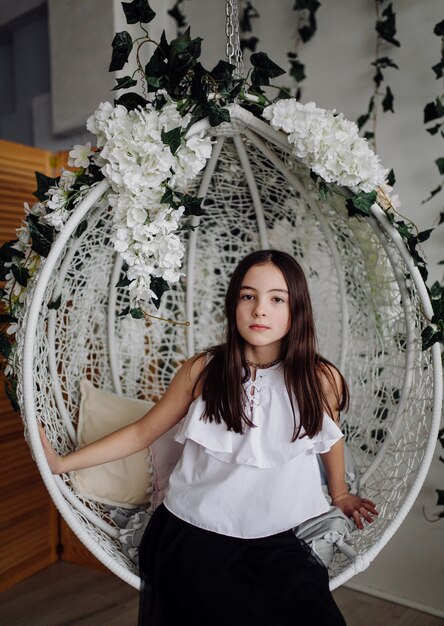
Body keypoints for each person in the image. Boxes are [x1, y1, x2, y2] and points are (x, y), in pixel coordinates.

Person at [41, 249, 378, 626]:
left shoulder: (319, 378)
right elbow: (141, 432)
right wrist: (61, 463)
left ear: (297, 309)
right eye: (248, 296)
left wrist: (340, 494)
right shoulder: (203, 370)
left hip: (276, 535)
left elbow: (330, 438)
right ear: (234, 304)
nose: (260, 310)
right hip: (192, 531)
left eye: (276, 299)